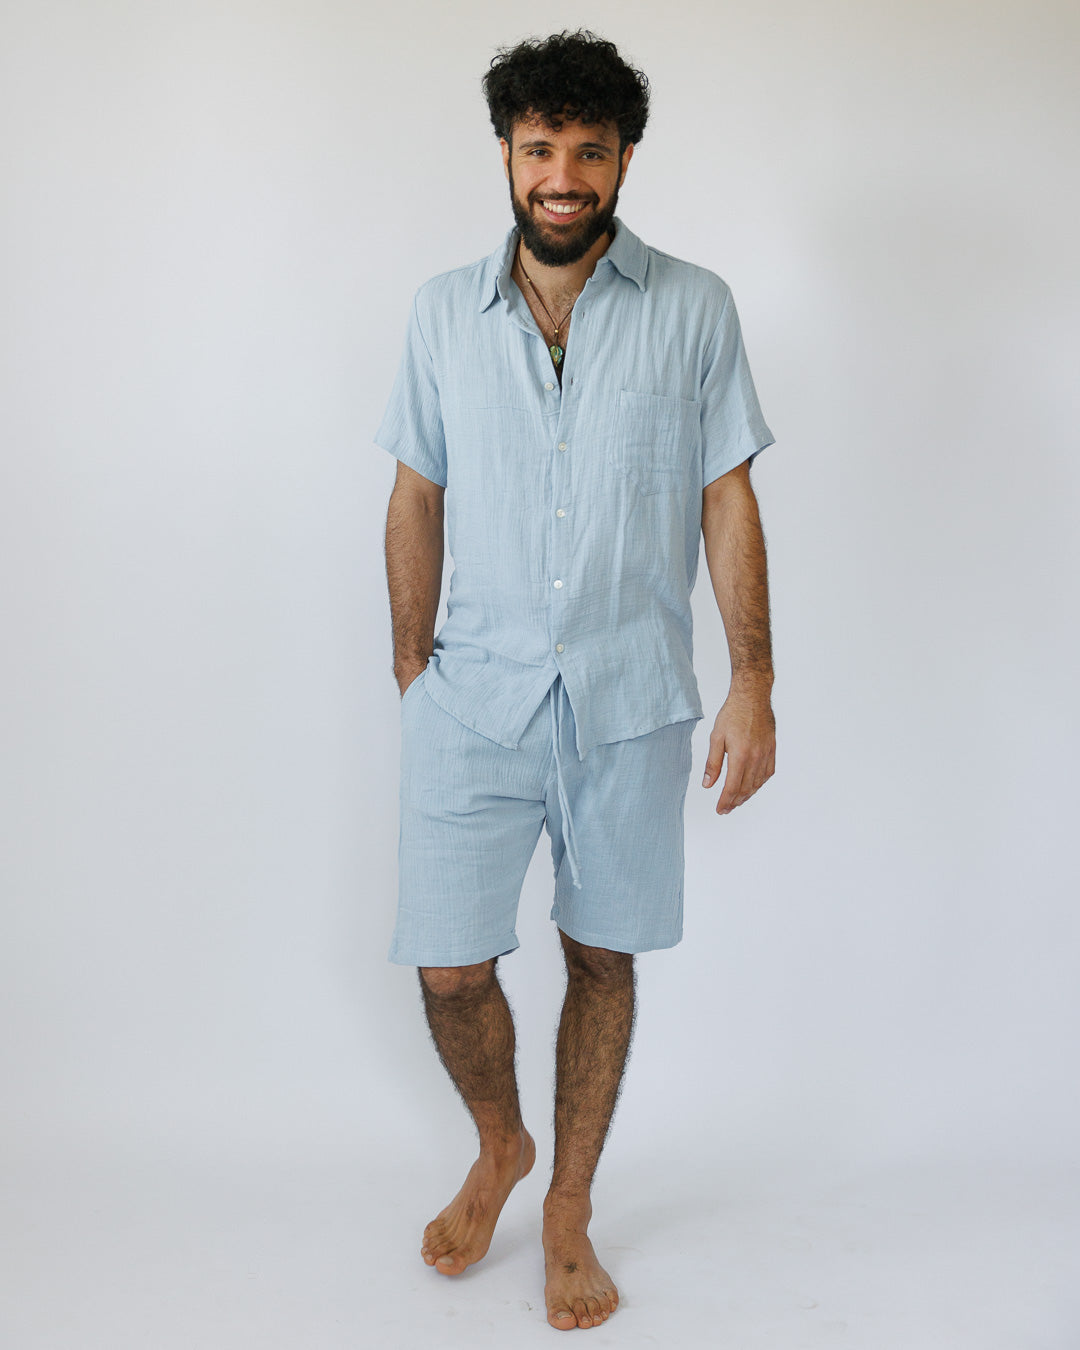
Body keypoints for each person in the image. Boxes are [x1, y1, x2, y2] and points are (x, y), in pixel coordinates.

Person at [377, 29, 776, 1332]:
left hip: (629, 696)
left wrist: (755, 681)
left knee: (602, 957)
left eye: (588, 151)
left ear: (623, 161)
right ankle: (502, 1144)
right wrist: (412, 668)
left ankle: (568, 1206)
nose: (562, 177)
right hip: (472, 695)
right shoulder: (441, 313)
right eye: (539, 148)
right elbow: (415, 493)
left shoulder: (696, 307)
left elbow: (727, 496)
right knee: (449, 968)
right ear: (506, 152)